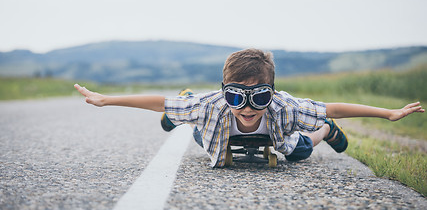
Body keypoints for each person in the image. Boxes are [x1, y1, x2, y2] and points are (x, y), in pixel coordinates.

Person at [74, 48, 424, 167]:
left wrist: (388, 113)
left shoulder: (284, 107)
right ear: (225, 91)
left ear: (271, 92)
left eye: (259, 97)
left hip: (280, 135)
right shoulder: (213, 105)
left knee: (299, 154)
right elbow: (155, 102)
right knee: (193, 121)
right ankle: (182, 109)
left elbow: (334, 107)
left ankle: (324, 134)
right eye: (237, 97)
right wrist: (106, 100)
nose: (247, 108)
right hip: (213, 128)